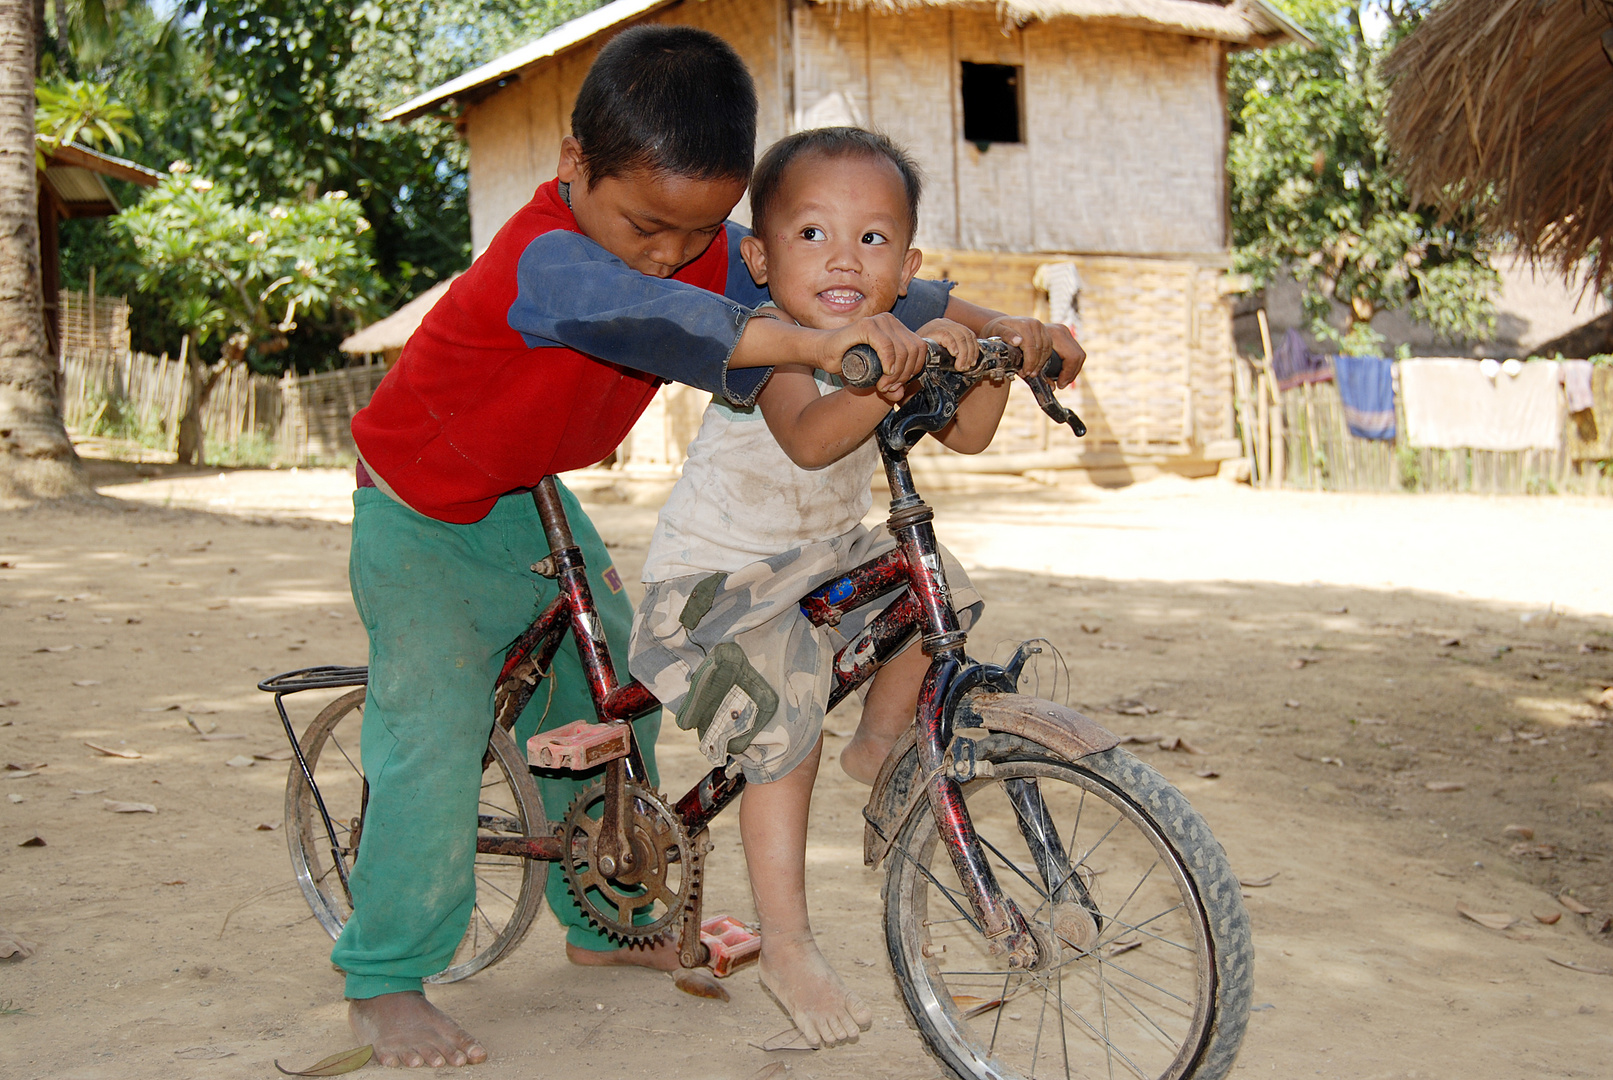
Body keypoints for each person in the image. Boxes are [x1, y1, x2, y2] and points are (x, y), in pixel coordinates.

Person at [340, 28, 951, 1069]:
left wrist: (986, 324)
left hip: (528, 496)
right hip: (419, 508)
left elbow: (828, 293)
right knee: (435, 730)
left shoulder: (687, 238)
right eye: (645, 224)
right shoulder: (552, 262)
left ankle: (604, 917)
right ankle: (386, 977)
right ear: (573, 164)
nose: (671, 251)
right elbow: (656, 311)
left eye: (701, 229)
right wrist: (808, 345)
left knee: (607, 700)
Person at [626, 127, 1084, 1050]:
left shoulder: (894, 330)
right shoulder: (768, 346)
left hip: (814, 565)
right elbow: (809, 438)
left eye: (872, 241)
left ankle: (878, 745)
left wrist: (996, 356)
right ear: (758, 258)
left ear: (906, 265)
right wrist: (890, 373)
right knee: (786, 719)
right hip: (710, 592)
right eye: (811, 235)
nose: (843, 258)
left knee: (935, 585)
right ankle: (788, 942)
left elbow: (968, 436)